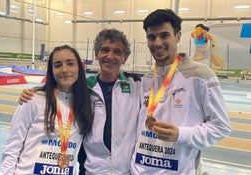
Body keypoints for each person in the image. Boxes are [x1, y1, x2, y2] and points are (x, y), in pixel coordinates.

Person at [18, 29, 141, 174]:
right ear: (96, 54)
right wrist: (34, 92)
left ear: (125, 58)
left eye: (117, 52)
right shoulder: (83, 89)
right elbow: (59, 90)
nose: (110, 56)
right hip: (91, 170)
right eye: (105, 50)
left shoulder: (137, 86)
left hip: (126, 171)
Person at [130, 9, 231, 175]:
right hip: (139, 169)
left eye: (164, 35)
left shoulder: (201, 75)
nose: (157, 43)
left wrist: (181, 134)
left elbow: (221, 126)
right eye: (151, 37)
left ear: (177, 36)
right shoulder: (147, 79)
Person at [0, 45, 93, 174]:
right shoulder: (32, 99)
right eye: (58, 65)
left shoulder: (85, 104)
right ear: (51, 70)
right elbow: (12, 148)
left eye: (70, 64)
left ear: (79, 68)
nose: (64, 69)